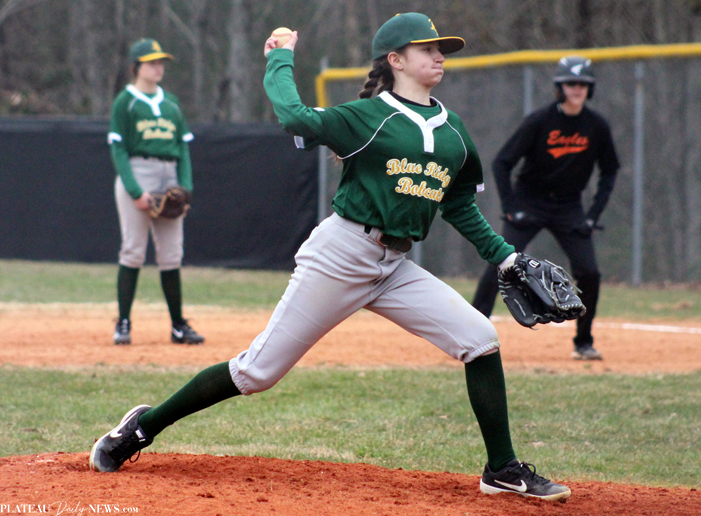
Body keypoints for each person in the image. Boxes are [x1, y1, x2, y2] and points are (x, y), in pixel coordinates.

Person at [90, 14, 570, 501]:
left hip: (395, 266)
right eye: (426, 48)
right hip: (341, 255)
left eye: (440, 49)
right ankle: (141, 428)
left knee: (480, 338)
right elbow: (295, 118)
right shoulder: (369, 116)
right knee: (256, 372)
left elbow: (459, 206)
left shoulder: (454, 132)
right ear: (396, 59)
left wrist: (507, 259)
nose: (438, 56)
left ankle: (501, 468)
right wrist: (280, 58)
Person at [472, 56, 620, 361]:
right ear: (559, 87)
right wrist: (511, 207)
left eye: (582, 84)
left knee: (589, 272)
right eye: (570, 83)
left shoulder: (596, 126)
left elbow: (610, 170)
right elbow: (502, 162)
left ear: (590, 88)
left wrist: (592, 216)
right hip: (530, 201)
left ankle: (583, 342)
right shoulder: (540, 121)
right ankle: (470, 332)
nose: (576, 88)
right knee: (499, 261)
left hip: (569, 206)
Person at [107, 38, 204, 346]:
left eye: (161, 62)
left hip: (169, 174)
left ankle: (178, 326)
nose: (158, 67)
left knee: (172, 254)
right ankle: (123, 323)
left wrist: (185, 188)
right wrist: (135, 191)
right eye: (152, 62)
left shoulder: (171, 103)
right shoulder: (126, 101)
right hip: (139, 171)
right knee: (133, 251)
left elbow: (183, 149)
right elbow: (118, 149)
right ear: (137, 67)